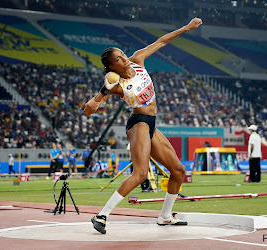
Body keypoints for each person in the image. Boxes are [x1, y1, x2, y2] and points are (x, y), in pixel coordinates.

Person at [84, 17, 202, 234]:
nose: (124, 59)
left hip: (152, 123)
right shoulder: (116, 85)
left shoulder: (137, 60)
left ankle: (165, 216)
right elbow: (88, 110)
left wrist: (186, 27)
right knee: (139, 174)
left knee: (178, 170)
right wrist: (104, 89)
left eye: (122, 54)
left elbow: (162, 41)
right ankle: (101, 216)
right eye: (118, 59)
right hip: (138, 123)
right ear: (111, 66)